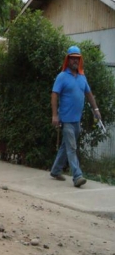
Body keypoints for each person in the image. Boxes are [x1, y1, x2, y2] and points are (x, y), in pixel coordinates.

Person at [50, 45, 101, 188]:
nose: (75, 61)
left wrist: (95, 108)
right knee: (71, 147)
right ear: (68, 60)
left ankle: (55, 170)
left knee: (66, 145)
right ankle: (77, 176)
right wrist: (55, 115)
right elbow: (54, 95)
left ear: (80, 61)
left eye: (77, 59)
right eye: (72, 58)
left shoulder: (82, 77)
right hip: (65, 119)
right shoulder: (61, 77)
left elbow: (88, 94)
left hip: (77, 120)